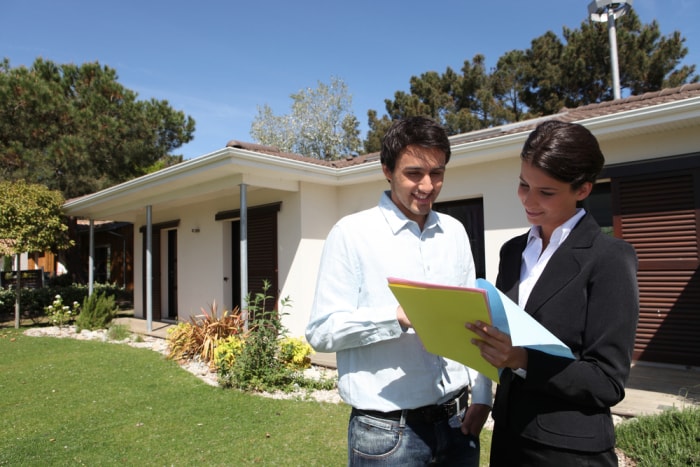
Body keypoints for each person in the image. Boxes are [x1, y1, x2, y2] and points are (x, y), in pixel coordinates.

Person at [305, 116, 492, 466]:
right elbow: (321, 331)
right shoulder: (351, 234)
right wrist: (397, 317)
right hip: (385, 434)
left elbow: (474, 320)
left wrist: (482, 395)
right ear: (386, 170)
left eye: (437, 173)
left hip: (458, 425)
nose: (428, 185)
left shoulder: (454, 233)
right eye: (414, 173)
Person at [467, 120, 639, 466]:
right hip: (508, 438)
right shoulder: (513, 251)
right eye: (522, 184)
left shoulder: (609, 258)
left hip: (568, 450)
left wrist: (523, 359)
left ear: (583, 189)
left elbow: (607, 381)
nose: (528, 201)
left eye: (545, 192)